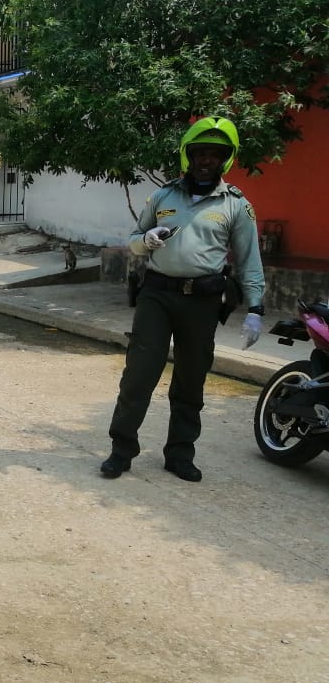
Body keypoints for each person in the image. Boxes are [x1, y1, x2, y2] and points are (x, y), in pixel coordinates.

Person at [101, 116, 266, 482]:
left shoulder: (235, 205)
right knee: (139, 377)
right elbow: (133, 238)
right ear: (187, 155)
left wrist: (256, 308)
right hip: (157, 296)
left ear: (226, 159)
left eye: (214, 154)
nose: (205, 160)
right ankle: (121, 449)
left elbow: (249, 261)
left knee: (191, 381)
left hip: (202, 303)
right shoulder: (162, 196)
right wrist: (146, 241)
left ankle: (179, 453)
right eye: (199, 153)